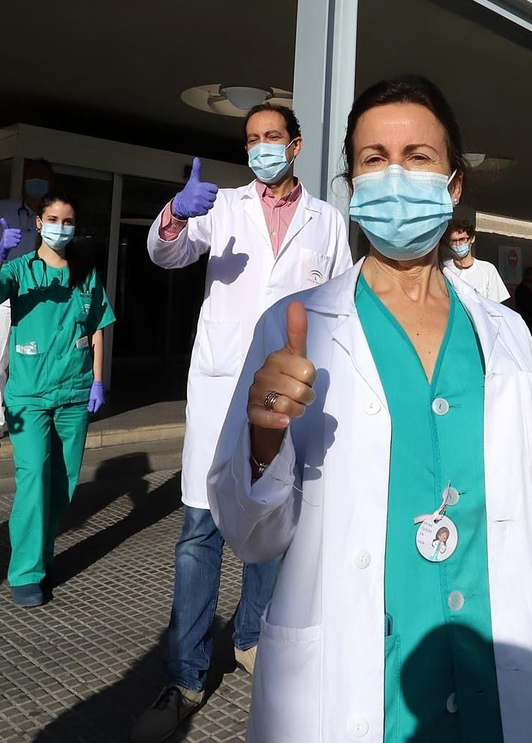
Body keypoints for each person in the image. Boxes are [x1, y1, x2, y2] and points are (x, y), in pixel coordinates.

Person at [207, 75, 532, 742]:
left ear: (454, 183)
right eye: (373, 159)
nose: (394, 176)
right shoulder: (293, 326)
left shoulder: (502, 335)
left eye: (417, 157)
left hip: (494, 693)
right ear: (352, 183)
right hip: (361, 696)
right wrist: (263, 437)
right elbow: (251, 532)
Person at [134, 103, 352, 742]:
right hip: (220, 384)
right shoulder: (222, 207)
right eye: (251, 139)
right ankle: (186, 676)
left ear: (295, 144)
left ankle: (254, 637)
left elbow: (339, 306)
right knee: (199, 534)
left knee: (272, 524)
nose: (260, 148)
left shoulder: (327, 222)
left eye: (270, 137)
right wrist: (176, 214)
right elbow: (165, 255)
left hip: (282, 392)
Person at [0, 191, 113, 609]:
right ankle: (26, 571)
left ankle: (43, 554)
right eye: (53, 218)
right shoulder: (19, 269)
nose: (60, 227)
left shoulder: (85, 272)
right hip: (29, 397)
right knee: (34, 479)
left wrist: (99, 380)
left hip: (74, 392)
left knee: (63, 484)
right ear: (38, 222)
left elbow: (99, 325)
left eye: (68, 221)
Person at [0, 159, 56, 445]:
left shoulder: (51, 214)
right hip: (3, 293)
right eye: (31, 175)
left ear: (50, 182)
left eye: (42, 177)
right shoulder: (3, 209)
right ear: (22, 179)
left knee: (29, 358)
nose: (36, 180)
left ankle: (25, 416)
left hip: (37, 297)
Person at [441, 217, 508, 303]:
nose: (458, 244)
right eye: (454, 241)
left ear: (472, 239)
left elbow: (495, 305)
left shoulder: (488, 269)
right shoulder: (443, 268)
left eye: (462, 239)